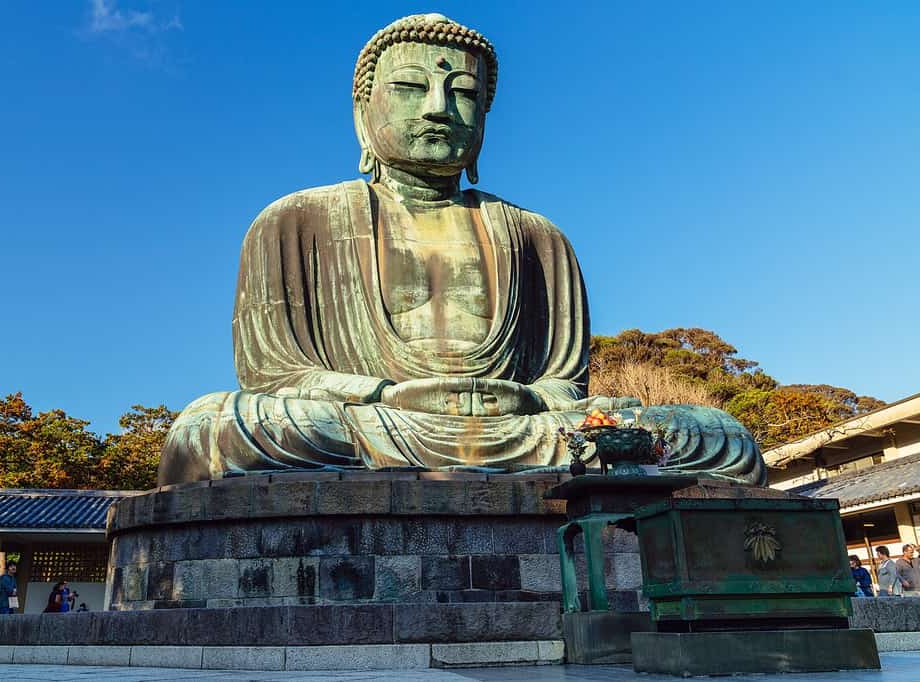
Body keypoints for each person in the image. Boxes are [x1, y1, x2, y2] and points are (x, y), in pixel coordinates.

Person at [156, 12, 766, 487]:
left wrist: (524, 397)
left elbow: (563, 385)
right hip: (371, 423)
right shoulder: (294, 221)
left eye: (464, 94)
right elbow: (273, 373)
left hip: (518, 428)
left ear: (484, 119)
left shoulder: (536, 235)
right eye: (411, 87)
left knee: (716, 435)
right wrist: (383, 394)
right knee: (213, 429)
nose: (438, 109)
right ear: (363, 114)